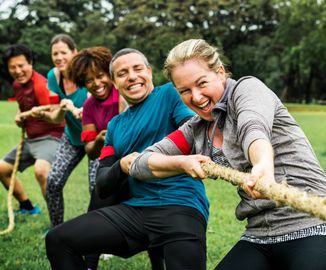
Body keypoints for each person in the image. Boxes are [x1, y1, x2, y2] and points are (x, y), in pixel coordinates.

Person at [128, 39, 326, 270]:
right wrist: (182, 162)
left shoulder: (247, 90)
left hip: (316, 224)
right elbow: (142, 163)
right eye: (185, 91)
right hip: (259, 235)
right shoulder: (195, 129)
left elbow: (253, 129)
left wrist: (263, 166)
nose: (196, 97)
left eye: (202, 83)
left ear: (219, 73)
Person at [45, 48, 209, 270]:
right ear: (114, 81)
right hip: (135, 212)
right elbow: (102, 184)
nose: (132, 76)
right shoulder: (115, 126)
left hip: (180, 205)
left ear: (149, 72)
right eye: (122, 73)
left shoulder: (170, 94)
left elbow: (193, 133)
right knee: (57, 240)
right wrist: (121, 165)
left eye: (137, 69)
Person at [66, 46, 129, 270]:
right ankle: (90, 264)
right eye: (88, 80)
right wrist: (102, 139)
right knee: (98, 207)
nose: (96, 83)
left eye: (100, 76)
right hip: (109, 162)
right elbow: (91, 150)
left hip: (136, 160)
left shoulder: (122, 93)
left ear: (109, 73)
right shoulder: (89, 106)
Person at [33, 34, 94, 228]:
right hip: (73, 137)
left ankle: (102, 239)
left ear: (74, 53)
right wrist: (61, 107)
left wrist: (88, 111)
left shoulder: (87, 73)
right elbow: (56, 118)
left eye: (63, 52)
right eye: (55, 53)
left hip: (97, 138)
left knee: (97, 188)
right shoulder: (53, 76)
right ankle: (56, 229)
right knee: (53, 182)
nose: (59, 57)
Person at [0, 44, 64, 215]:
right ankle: (27, 207)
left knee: (41, 171)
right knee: (1, 169)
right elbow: (25, 106)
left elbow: (57, 114)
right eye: (12, 67)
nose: (18, 70)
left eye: (21, 65)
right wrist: (19, 115)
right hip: (31, 140)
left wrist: (40, 113)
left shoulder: (41, 85)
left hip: (51, 137)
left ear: (30, 64)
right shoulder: (17, 85)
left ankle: (57, 222)